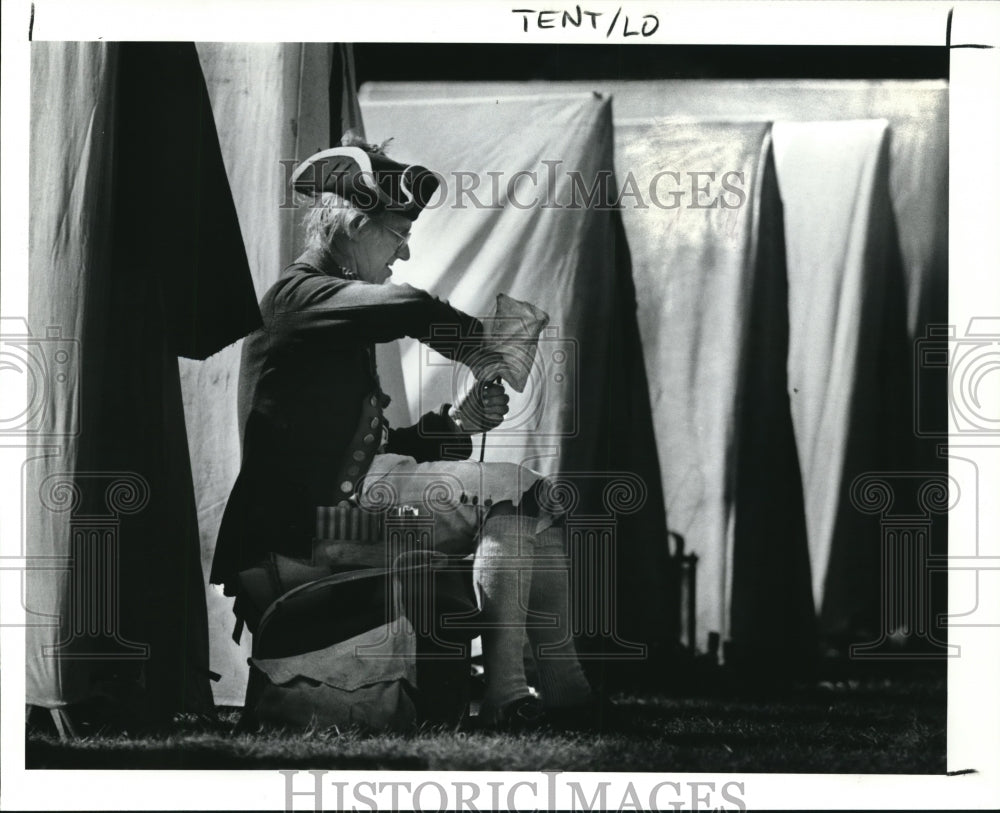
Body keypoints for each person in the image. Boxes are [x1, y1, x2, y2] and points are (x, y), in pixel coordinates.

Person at [210, 135, 594, 730]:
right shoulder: (298, 295)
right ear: (352, 224)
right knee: (516, 491)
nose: (404, 252)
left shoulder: (325, 308)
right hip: (307, 536)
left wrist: (459, 425)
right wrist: (481, 349)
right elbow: (412, 306)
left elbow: (371, 452)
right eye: (396, 233)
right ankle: (511, 693)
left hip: (334, 520)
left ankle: (556, 689)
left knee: (528, 498)